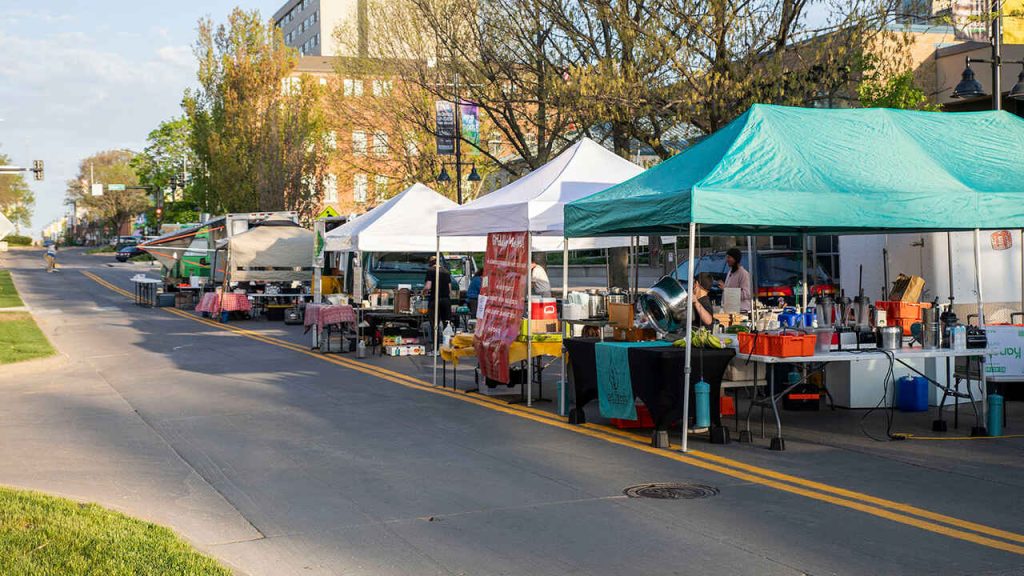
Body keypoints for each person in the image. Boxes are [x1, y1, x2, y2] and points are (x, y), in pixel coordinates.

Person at [424, 256, 453, 347]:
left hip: (435, 300)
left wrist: (423, 291)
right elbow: (449, 288)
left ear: (431, 263)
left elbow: (428, 286)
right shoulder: (446, 271)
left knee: (434, 325)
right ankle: (446, 345)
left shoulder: (430, 271)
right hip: (446, 300)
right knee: (446, 323)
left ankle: (435, 348)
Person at [718, 247, 752, 312]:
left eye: (729, 257)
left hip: (741, 311)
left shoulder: (743, 273)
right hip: (730, 310)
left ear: (735, 259)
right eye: (727, 257)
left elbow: (747, 294)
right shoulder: (730, 271)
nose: (727, 260)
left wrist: (726, 289)